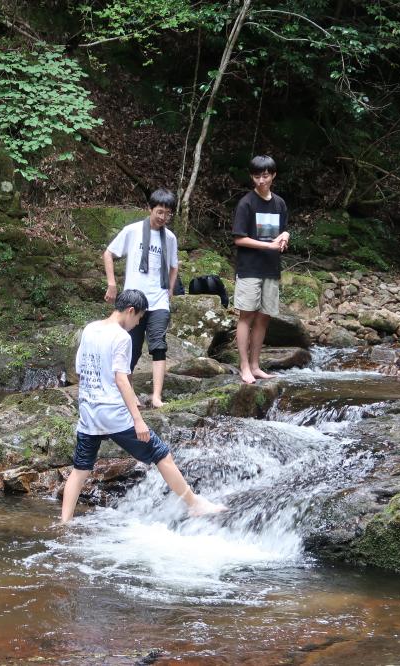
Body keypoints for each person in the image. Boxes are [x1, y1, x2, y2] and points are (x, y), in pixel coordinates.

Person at [60, 289, 225, 523]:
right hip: (114, 414)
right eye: (138, 319)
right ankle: (194, 503)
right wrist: (138, 419)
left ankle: (63, 522)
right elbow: (120, 379)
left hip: (89, 411)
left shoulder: (90, 329)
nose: (137, 324)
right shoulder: (121, 337)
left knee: (80, 469)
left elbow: (81, 370)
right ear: (130, 311)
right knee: (162, 454)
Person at [103, 188, 179, 407]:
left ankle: (156, 396)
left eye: (167, 213)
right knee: (131, 348)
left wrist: (170, 290)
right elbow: (109, 253)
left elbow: (174, 266)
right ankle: (130, 395)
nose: (163, 217)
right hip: (134, 302)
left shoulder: (170, 238)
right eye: (159, 212)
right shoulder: (133, 230)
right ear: (150, 209)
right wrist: (112, 283)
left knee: (158, 345)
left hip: (159, 300)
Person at [232, 155, 290, 384]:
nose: (261, 181)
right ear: (252, 177)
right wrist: (268, 245)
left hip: (271, 268)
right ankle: (244, 366)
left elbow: (283, 230)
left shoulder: (279, 203)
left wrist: (285, 236)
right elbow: (239, 238)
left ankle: (256, 365)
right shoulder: (246, 203)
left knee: (264, 318)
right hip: (249, 268)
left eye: (265, 176)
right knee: (246, 316)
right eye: (257, 176)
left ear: (273, 175)